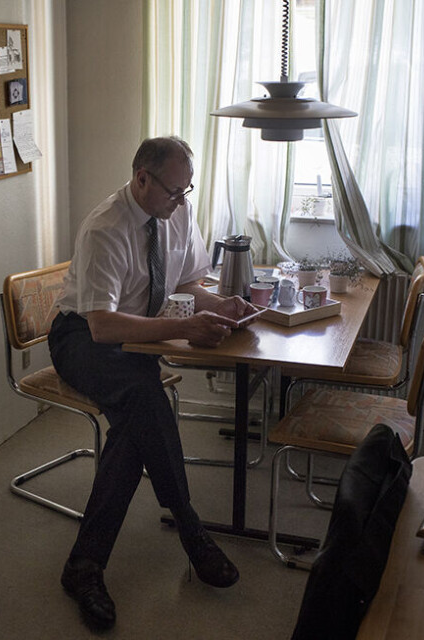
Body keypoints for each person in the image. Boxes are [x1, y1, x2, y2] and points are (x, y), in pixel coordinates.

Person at [49, 136, 256, 630]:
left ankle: (85, 566)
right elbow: (102, 325)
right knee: (146, 397)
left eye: (188, 191)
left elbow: (185, 285)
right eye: (174, 192)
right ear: (142, 179)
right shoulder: (106, 228)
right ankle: (191, 530)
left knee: (134, 423)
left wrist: (219, 305)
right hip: (82, 336)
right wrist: (185, 327)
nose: (183, 202)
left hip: (136, 336)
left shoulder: (175, 208)